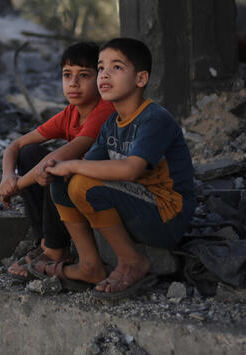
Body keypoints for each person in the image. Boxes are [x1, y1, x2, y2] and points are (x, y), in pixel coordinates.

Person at [44, 37, 196, 299]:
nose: (104, 75)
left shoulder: (154, 118)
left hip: (165, 214)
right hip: (135, 205)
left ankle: (131, 261)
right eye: (101, 67)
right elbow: (88, 166)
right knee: (64, 180)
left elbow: (131, 170)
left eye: (116, 67)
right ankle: (90, 265)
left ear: (140, 79)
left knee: (80, 181)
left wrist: (71, 163)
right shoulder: (112, 124)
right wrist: (60, 168)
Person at [0, 42, 115, 280]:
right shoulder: (71, 113)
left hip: (106, 190)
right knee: (29, 153)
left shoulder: (104, 111)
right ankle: (45, 241)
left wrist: (16, 186)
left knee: (57, 170)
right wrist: (7, 177)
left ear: (100, 79)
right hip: (73, 194)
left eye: (84, 75)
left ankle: (56, 250)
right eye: (67, 75)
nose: (73, 83)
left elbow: (57, 159)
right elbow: (16, 145)